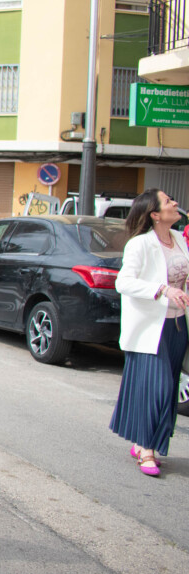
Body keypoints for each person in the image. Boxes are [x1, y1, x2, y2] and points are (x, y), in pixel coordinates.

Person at [110, 189, 189, 477]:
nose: (175, 203)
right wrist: (162, 290)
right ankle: (146, 449)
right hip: (150, 329)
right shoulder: (140, 244)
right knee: (157, 389)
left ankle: (146, 439)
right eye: (168, 201)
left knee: (168, 390)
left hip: (177, 326)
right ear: (155, 214)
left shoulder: (179, 239)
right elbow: (124, 283)